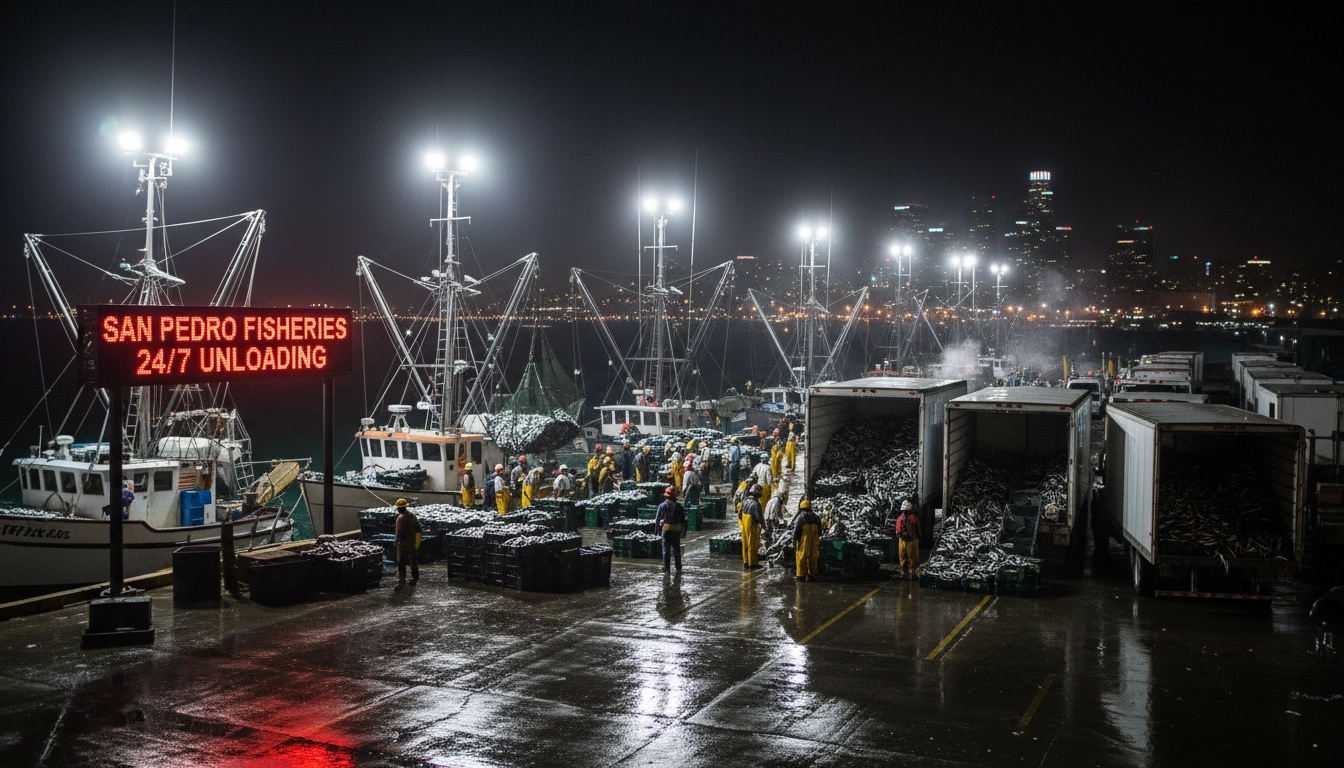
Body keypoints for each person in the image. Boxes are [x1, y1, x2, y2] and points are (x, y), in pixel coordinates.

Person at [654, 486, 687, 572]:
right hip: (676, 530)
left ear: (666, 496)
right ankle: (678, 567)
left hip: (666, 529)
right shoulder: (679, 507)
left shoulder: (662, 506)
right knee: (676, 549)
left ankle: (666, 568)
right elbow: (683, 520)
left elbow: (657, 520)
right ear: (674, 496)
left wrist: (656, 532)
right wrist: (684, 532)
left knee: (666, 549)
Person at [394, 498, 422, 588]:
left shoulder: (400, 518)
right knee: (413, 561)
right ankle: (415, 578)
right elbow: (419, 529)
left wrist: (396, 542)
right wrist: (417, 542)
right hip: (412, 543)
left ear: (399, 508)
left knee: (401, 562)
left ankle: (402, 580)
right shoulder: (412, 516)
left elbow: (399, 532)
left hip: (402, 543)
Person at [793, 498, 821, 581]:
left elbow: (797, 530)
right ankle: (812, 574)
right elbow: (820, 530)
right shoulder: (816, 517)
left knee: (801, 556)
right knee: (813, 556)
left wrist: (795, 539)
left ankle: (801, 575)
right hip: (814, 540)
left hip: (804, 540)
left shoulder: (801, 517)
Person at [739, 484, 764, 569]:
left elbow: (740, 514)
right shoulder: (756, 504)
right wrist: (765, 528)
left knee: (745, 543)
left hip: (744, 525)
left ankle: (746, 562)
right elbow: (760, 519)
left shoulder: (745, 500)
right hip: (752, 526)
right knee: (752, 545)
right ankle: (752, 563)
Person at [897, 499, 922, 579]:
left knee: (907, 557)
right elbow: (918, 529)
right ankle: (910, 573)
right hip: (909, 540)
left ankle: (908, 573)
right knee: (909, 557)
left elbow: (897, 532)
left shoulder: (901, 518)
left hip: (907, 540)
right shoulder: (912, 518)